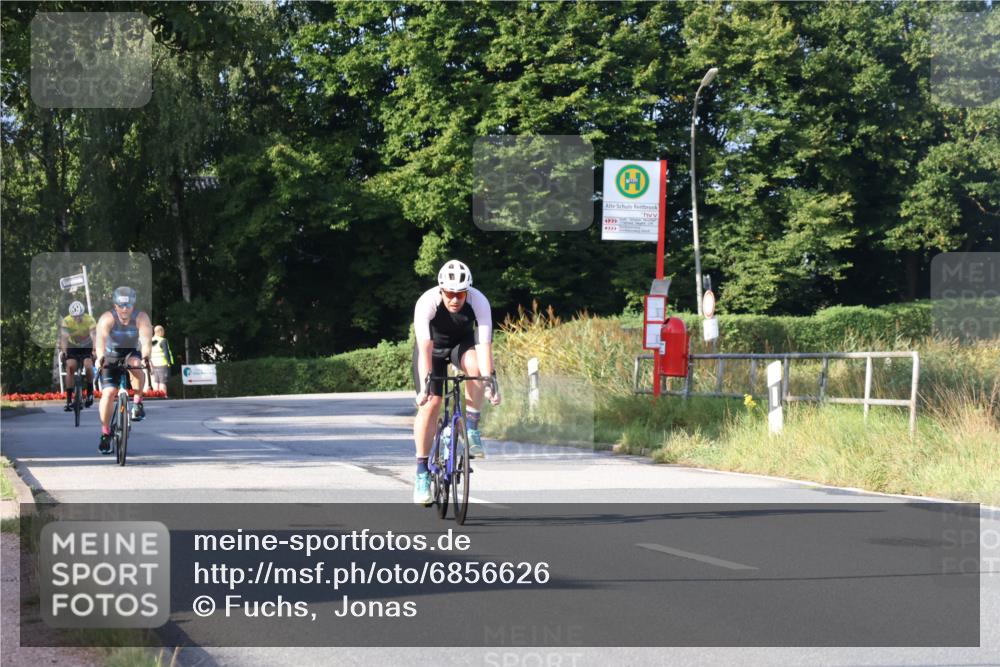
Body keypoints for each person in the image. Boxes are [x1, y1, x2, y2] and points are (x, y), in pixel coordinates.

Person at [412, 259, 501, 505]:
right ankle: (422, 472)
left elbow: (484, 346)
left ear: (467, 292)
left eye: (460, 294)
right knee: (431, 404)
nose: (454, 299)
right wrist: (425, 388)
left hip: (461, 346)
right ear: (441, 290)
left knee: (475, 368)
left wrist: (489, 381)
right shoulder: (427, 302)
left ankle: (471, 427)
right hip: (432, 351)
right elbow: (424, 348)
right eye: (449, 293)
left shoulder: (479, 301)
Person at [93, 286, 153, 455]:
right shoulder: (107, 319)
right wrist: (100, 357)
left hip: (131, 353)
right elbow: (100, 342)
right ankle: (105, 433)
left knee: (136, 364)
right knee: (108, 393)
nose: (125, 309)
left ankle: (138, 402)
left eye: (128, 305)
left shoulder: (141, 318)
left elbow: (146, 341)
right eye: (121, 305)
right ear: (115, 305)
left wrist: (146, 357)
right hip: (110, 356)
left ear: (133, 305)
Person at [59, 300, 97, 410]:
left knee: (88, 366)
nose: (77, 319)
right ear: (71, 315)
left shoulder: (89, 320)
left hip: (87, 346)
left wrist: (94, 351)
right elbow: (64, 338)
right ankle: (69, 400)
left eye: (79, 316)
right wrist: (64, 351)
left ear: (83, 314)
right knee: (70, 368)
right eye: (74, 316)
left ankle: (90, 393)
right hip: (73, 346)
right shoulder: (66, 321)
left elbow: (94, 336)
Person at [150, 325, 174, 397]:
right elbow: (166, 352)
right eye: (163, 331)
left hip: (153, 364)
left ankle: (156, 396)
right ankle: (163, 395)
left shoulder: (151, 340)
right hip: (162, 364)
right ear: (160, 331)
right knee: (162, 381)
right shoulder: (163, 340)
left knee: (156, 381)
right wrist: (169, 362)